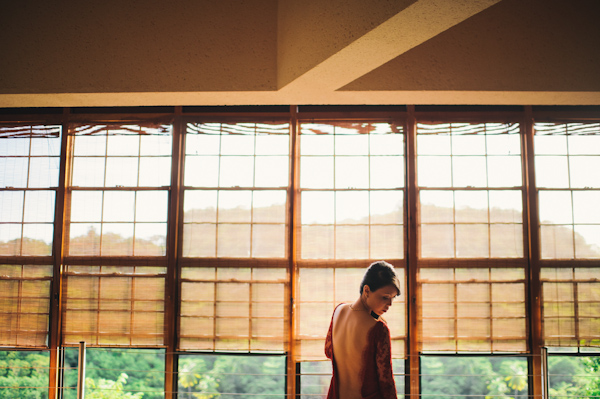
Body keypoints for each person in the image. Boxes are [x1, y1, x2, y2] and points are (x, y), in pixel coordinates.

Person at [325, 261, 400, 399]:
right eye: (385, 297)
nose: (389, 304)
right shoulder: (378, 329)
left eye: (392, 298)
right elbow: (386, 382)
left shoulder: (339, 310)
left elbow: (329, 351)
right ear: (367, 291)